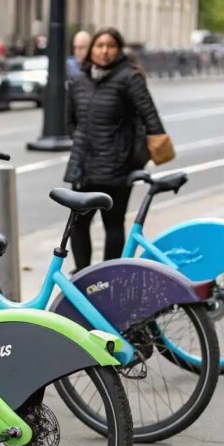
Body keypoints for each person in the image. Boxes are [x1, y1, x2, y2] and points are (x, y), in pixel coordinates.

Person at [63, 26, 166, 270]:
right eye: (99, 46)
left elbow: (150, 119)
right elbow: (70, 122)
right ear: (91, 50)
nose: (104, 51)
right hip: (83, 167)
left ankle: (108, 277)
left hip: (117, 168)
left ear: (119, 50)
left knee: (113, 224)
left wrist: (135, 156)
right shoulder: (78, 81)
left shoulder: (129, 78)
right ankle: (83, 276)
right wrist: (84, 142)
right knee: (78, 225)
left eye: (110, 46)